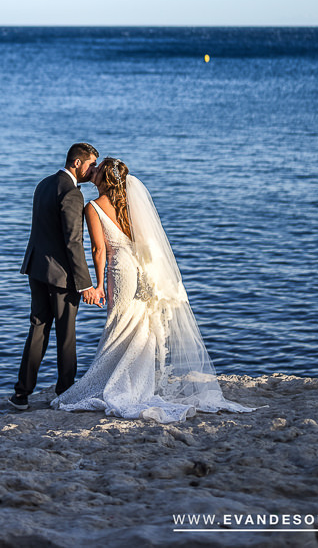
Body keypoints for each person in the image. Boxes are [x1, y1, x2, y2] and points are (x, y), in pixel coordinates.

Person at [52, 157, 256, 423]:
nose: (94, 172)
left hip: (120, 269)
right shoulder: (129, 205)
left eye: (98, 169)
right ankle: (139, 383)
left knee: (119, 322)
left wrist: (99, 284)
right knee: (141, 325)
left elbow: (99, 249)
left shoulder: (93, 207)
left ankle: (116, 383)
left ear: (104, 177)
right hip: (141, 269)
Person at [9, 143, 104, 410]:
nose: (93, 169)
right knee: (66, 334)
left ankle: (21, 395)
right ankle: (65, 391)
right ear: (77, 163)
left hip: (36, 268)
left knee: (38, 328)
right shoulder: (72, 194)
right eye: (91, 164)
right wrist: (85, 284)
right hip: (61, 276)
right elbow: (73, 242)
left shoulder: (44, 184)